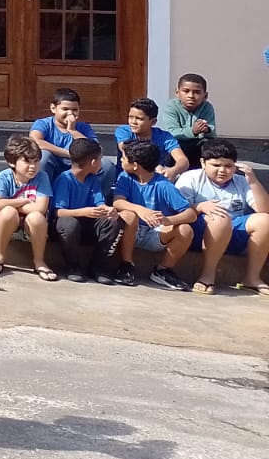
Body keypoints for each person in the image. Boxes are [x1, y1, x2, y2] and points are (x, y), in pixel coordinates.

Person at [177, 139, 269, 295]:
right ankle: (207, 275)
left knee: (265, 221)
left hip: (232, 234)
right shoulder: (190, 178)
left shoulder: (241, 181)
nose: (222, 171)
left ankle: (252, 278)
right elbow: (177, 211)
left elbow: (264, 210)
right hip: (201, 234)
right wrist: (199, 207)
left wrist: (252, 180)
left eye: (228, 166)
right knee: (219, 217)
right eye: (216, 165)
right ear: (203, 163)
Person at [110, 138, 197, 290]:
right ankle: (126, 265)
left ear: (135, 165)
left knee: (185, 230)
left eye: (124, 158)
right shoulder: (125, 177)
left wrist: (168, 220)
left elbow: (191, 214)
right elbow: (117, 202)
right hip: (132, 231)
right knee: (128, 215)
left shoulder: (164, 185)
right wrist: (140, 209)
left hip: (156, 233)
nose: (121, 161)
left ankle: (163, 270)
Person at [52, 137, 120, 284]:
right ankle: (73, 266)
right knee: (68, 224)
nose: (101, 163)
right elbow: (58, 212)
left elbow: (99, 202)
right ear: (94, 162)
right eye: (100, 160)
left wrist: (107, 210)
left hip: (89, 224)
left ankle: (98, 266)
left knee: (112, 223)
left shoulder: (93, 179)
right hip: (69, 225)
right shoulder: (64, 179)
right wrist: (83, 212)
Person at [0, 135, 55, 281]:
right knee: (7, 212)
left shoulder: (42, 177)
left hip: (31, 225)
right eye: (27, 161)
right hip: (7, 223)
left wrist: (12, 202)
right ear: (12, 162)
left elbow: (41, 208)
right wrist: (23, 202)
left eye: (36, 161)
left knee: (37, 217)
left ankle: (39, 260)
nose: (33, 166)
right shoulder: (4, 177)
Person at [112, 97, 190, 186]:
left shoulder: (164, 136)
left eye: (139, 119)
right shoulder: (123, 131)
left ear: (153, 122)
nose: (133, 122)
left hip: (155, 180)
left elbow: (183, 160)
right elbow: (126, 149)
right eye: (130, 117)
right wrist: (155, 167)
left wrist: (173, 171)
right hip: (127, 179)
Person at [29, 88, 96, 180]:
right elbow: (35, 141)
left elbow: (95, 149)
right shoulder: (43, 123)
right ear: (53, 108)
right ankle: (43, 190)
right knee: (43, 156)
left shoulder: (84, 127)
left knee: (105, 165)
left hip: (77, 167)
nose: (70, 113)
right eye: (65, 109)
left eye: (74, 109)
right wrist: (68, 153)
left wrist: (73, 130)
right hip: (53, 164)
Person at [157, 72, 218, 168]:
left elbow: (212, 132)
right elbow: (171, 132)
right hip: (177, 145)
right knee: (171, 146)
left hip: (197, 144)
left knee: (214, 147)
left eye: (197, 92)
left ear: (205, 95)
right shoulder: (171, 106)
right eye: (186, 91)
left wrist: (206, 129)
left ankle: (208, 173)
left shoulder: (207, 107)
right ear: (177, 92)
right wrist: (193, 131)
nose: (191, 96)